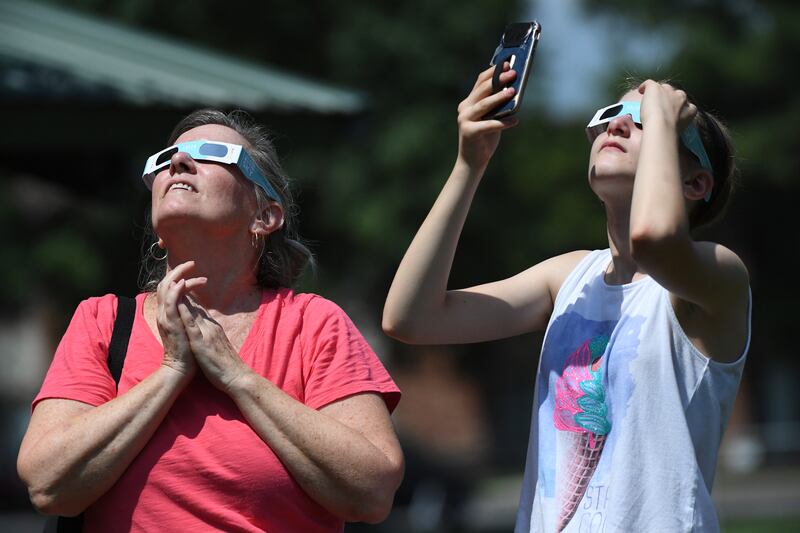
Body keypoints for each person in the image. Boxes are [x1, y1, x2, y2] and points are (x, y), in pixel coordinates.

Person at [383, 63, 751, 532]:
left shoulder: (719, 276)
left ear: (695, 183)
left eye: (644, 122)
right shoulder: (569, 277)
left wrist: (661, 117)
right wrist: (468, 164)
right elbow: (411, 318)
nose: (617, 124)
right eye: (613, 113)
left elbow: (653, 240)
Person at [18, 110, 404, 532]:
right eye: (166, 158)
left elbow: (373, 491)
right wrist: (172, 372)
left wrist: (238, 377)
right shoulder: (102, 321)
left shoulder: (313, 324)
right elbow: (46, 485)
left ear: (264, 217)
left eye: (212, 154)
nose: (179, 164)